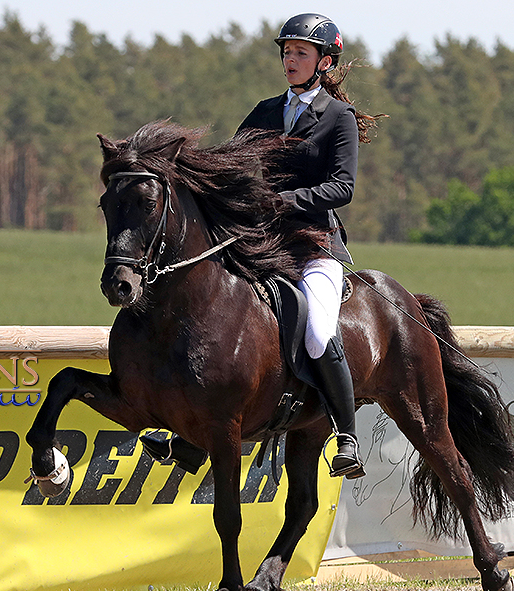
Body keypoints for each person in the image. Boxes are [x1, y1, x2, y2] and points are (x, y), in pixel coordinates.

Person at [141, 13, 380, 479]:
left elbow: (342, 187)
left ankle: (346, 435)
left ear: (324, 62)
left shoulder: (338, 118)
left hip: (315, 244)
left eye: (300, 53)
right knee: (215, 314)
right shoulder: (266, 111)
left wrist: (282, 199)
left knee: (317, 331)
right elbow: (227, 161)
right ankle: (193, 439)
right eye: (286, 52)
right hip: (262, 241)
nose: (290, 60)